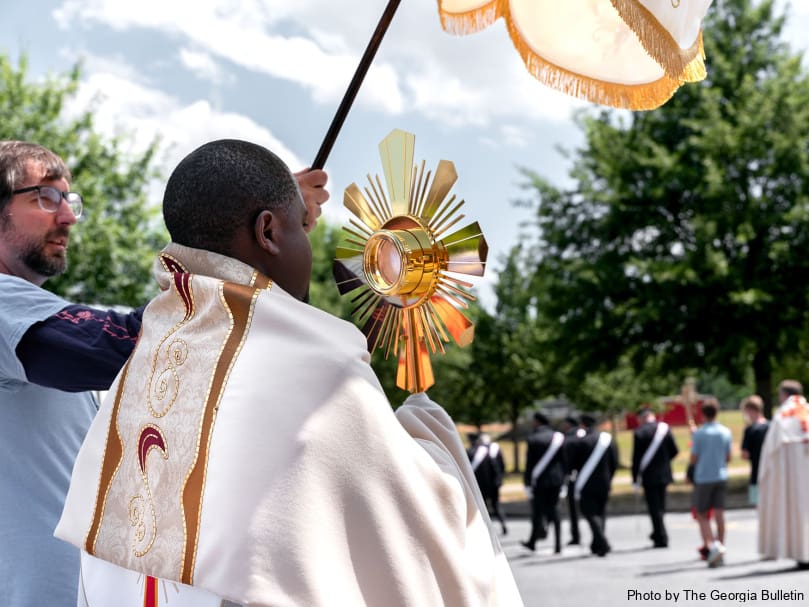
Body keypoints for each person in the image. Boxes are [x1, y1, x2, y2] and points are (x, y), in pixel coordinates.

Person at [55, 139, 523, 606]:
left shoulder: (140, 365)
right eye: (303, 227)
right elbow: (422, 533)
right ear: (267, 232)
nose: (311, 247)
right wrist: (427, 425)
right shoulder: (322, 367)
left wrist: (289, 209)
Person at [0, 140, 330, 605]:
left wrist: (270, 218)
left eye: (70, 200)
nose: (68, 216)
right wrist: (242, 235)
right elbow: (139, 344)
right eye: (45, 197)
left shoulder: (34, 317)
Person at [757, 379, 809, 569]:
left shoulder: (783, 416)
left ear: (784, 395)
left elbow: (770, 451)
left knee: (796, 510)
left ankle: (802, 553)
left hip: (791, 474)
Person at [690, 397, 732, 567]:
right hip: (721, 475)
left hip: (704, 477)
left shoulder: (699, 434)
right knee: (720, 513)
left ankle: (711, 545)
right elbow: (728, 456)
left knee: (702, 513)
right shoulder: (725, 432)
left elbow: (693, 458)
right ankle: (720, 544)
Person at [570, 413, 617, 557]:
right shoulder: (608, 440)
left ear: (582, 425)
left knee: (589, 513)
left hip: (586, 484)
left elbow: (574, 464)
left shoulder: (581, 441)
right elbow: (614, 462)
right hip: (604, 482)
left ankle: (602, 542)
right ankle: (597, 544)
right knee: (601, 513)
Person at [631, 407, 679, 548]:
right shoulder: (665, 429)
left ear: (641, 418)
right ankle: (658, 532)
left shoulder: (639, 432)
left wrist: (635, 478)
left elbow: (636, 458)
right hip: (664, 473)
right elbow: (674, 451)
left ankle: (660, 536)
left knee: (654, 507)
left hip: (648, 475)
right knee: (661, 506)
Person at [522, 412, 565, 553]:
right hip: (556, 480)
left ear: (537, 422)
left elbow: (529, 464)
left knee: (537, 513)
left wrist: (527, 481)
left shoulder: (533, 439)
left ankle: (533, 542)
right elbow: (564, 460)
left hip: (540, 481)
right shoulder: (559, 438)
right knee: (555, 510)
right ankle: (558, 544)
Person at [469, 432, 508, 535]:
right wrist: (499, 480)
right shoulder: (493, 451)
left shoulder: (472, 452)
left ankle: (486, 528)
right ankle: (503, 524)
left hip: (480, 485)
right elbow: (501, 466)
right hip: (493, 484)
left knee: (483, 507)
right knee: (496, 505)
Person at [739, 394, 769, 506]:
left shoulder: (749, 430)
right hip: (771, 472)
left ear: (750, 410)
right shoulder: (770, 426)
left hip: (756, 473)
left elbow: (744, 454)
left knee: (758, 507)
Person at [561, 415, 583, 545]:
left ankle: (576, 536)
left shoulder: (568, 439)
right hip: (585, 476)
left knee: (573, 510)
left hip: (572, 477)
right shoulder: (584, 436)